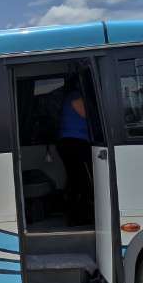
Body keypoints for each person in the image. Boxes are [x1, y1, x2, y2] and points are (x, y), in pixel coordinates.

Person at [57, 81, 93, 226]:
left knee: (76, 180)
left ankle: (76, 215)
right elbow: (86, 115)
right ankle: (78, 217)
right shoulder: (76, 96)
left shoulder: (72, 96)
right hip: (74, 143)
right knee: (81, 180)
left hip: (72, 143)